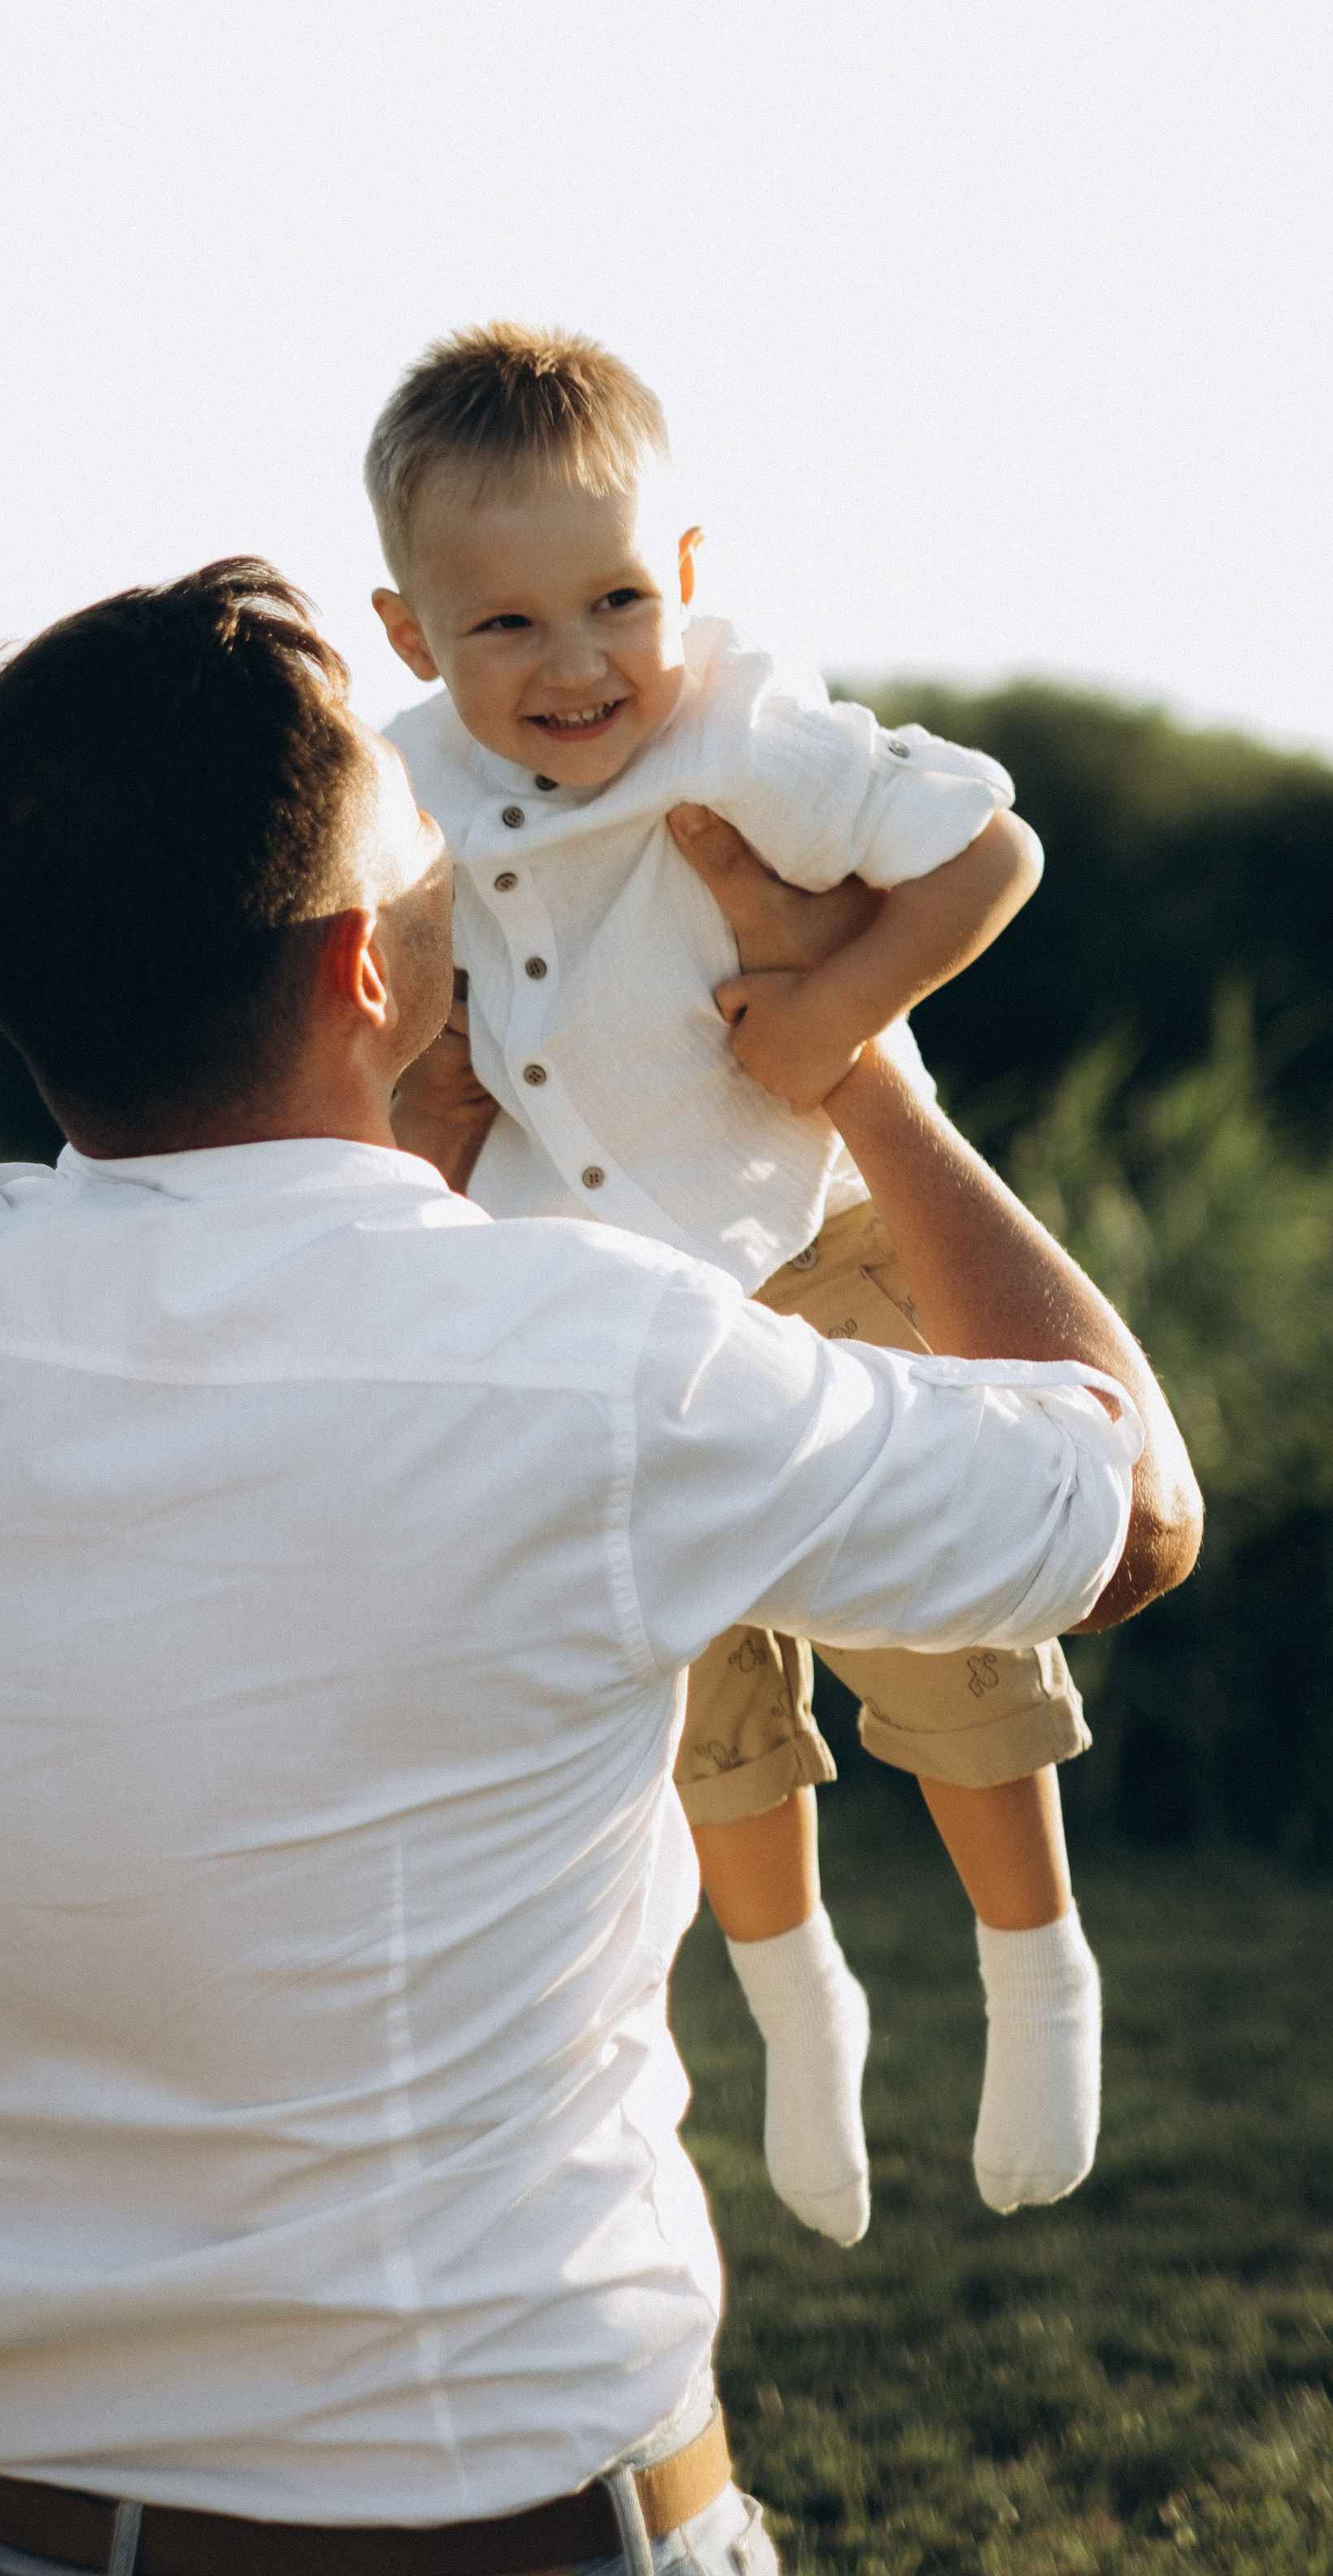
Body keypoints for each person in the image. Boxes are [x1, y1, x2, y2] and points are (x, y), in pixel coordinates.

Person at [0, 557, 1200, 2576]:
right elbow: (1129, 1506)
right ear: (364, 968)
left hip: (12, 2535)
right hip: (506, 2522)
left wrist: (432, 1121)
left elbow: (323, 1339)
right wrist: (864, 1069)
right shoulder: (591, 1368)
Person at [366, 323, 1102, 2242]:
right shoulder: (400, 795)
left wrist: (841, 1008)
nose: (575, 662)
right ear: (404, 631)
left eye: (615, 597)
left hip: (816, 1219)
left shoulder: (747, 723)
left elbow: (988, 848)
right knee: (698, 1687)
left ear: (686, 574)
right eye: (501, 626)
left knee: (946, 1633)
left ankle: (1036, 1972)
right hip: (598, 1295)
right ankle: (800, 2003)